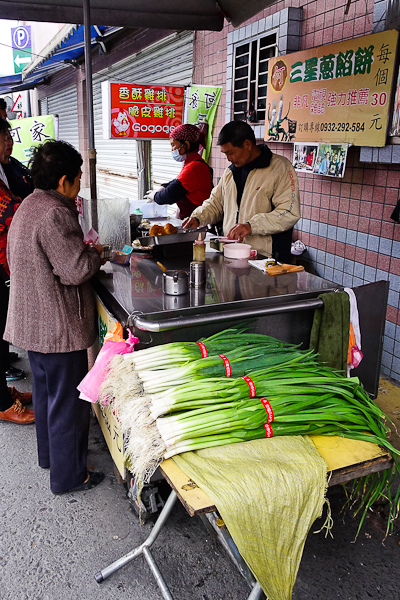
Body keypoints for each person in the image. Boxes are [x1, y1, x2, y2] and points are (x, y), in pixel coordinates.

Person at [5, 140, 105, 494]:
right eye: (77, 178)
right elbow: (75, 270)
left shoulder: (30, 203)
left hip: (33, 323)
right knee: (68, 407)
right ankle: (70, 476)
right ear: (64, 181)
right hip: (57, 326)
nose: (79, 185)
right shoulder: (56, 212)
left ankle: (52, 458)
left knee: (49, 397)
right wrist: (95, 254)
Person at [182, 120, 301, 262]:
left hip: (267, 258)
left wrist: (251, 226)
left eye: (231, 153)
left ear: (247, 145)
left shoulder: (280, 168)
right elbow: (215, 203)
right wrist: (197, 218)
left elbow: (289, 211)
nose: (228, 159)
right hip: (233, 254)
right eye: (225, 153)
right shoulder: (230, 172)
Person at [0, 119, 35, 424]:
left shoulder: (7, 167)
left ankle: (5, 391)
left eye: (10, 136)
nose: (9, 143)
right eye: (3, 137)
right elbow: (14, 212)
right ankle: (1, 404)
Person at [144, 124, 213, 219]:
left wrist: (155, 196)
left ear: (187, 145)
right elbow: (176, 182)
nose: (172, 149)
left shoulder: (194, 167)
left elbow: (170, 195)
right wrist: (162, 187)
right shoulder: (192, 164)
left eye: (173, 145)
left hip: (198, 220)